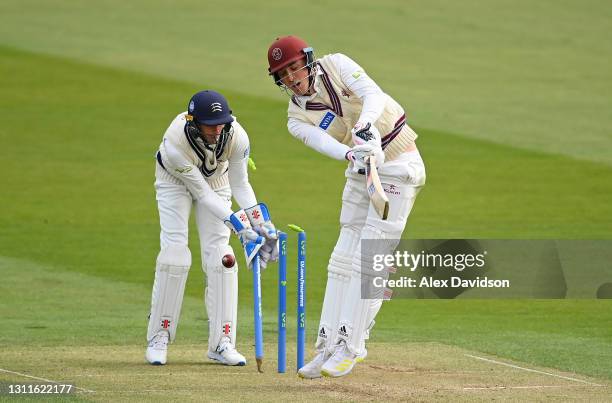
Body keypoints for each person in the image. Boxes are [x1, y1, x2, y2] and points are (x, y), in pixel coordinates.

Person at [267, 36, 426, 378]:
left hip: (398, 162)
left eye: (294, 67)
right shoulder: (296, 117)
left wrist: (365, 127)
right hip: (360, 169)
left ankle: (352, 347)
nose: (292, 78)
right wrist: (351, 153)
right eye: (283, 74)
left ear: (307, 61)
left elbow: (374, 95)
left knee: (368, 259)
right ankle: (327, 346)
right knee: (342, 257)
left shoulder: (337, 64)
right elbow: (324, 142)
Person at [145, 90, 278, 366]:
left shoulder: (237, 136)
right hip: (174, 180)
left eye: (222, 123)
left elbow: (241, 184)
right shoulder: (174, 144)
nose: (218, 130)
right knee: (175, 254)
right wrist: (240, 226)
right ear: (194, 122)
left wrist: (262, 224)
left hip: (219, 179)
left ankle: (222, 342)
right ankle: (159, 335)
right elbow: (203, 196)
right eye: (210, 124)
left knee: (223, 258)